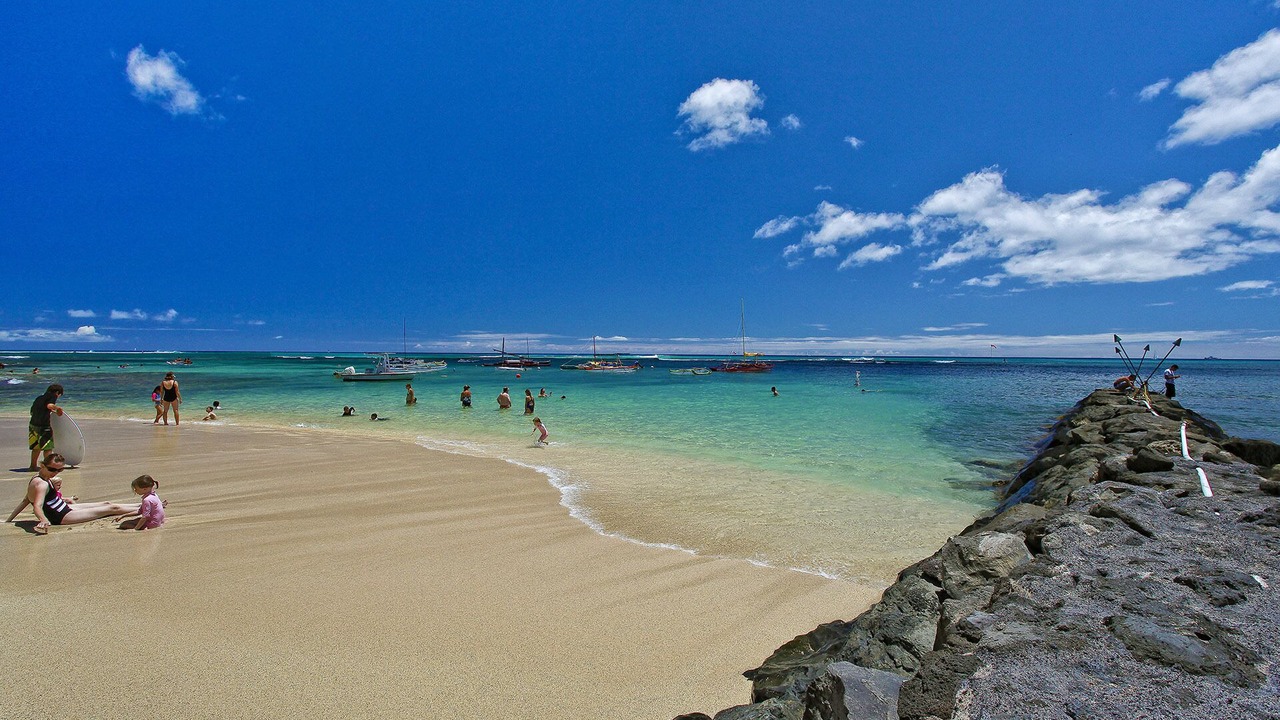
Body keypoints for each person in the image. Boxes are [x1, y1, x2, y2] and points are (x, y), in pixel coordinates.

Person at [6, 454, 149, 534]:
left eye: (59, 470)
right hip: (62, 516)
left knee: (107, 504)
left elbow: (25, 500)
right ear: (42, 465)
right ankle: (146, 508)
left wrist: (9, 520)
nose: (55, 473)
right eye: (52, 469)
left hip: (64, 507)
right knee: (110, 510)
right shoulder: (41, 484)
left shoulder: (41, 478)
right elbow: (36, 505)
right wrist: (43, 520)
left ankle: (142, 504)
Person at [28, 384, 64, 470]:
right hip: (43, 427)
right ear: (57, 393)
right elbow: (49, 405)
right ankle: (48, 467)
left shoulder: (39, 398)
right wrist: (57, 408)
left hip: (32, 425)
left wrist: (49, 412)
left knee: (36, 447)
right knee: (48, 448)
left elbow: (32, 412)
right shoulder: (52, 396)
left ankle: (32, 466)